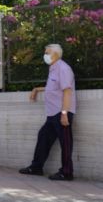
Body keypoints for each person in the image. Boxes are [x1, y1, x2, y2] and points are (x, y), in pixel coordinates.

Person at [19, 44, 76, 181]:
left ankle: (67, 172)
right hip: (52, 114)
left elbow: (67, 91)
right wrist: (37, 89)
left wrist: (64, 113)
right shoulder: (53, 68)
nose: (45, 55)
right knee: (43, 136)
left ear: (56, 54)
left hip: (61, 112)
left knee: (65, 142)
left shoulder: (63, 69)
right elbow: (53, 87)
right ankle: (36, 167)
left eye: (47, 52)